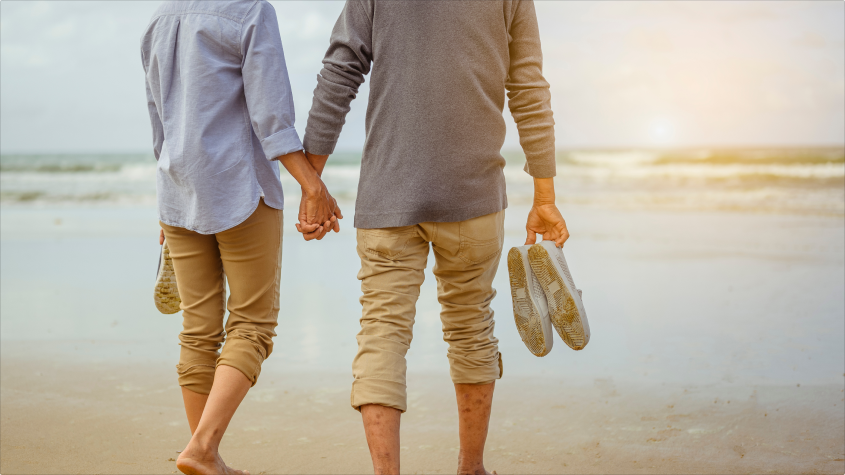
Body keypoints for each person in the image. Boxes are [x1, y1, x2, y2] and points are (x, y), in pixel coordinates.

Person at [299, 1, 569, 473]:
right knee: (471, 331)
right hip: (473, 191)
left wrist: (313, 181)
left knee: (382, 334)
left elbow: (340, 70)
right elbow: (528, 86)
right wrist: (544, 194)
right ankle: (471, 468)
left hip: (388, 190)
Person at [140, 1, 340, 474]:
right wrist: (313, 186)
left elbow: (158, 122)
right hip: (239, 187)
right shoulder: (251, 11)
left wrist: (168, 197)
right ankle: (202, 449)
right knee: (252, 325)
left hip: (178, 192)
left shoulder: (159, 18)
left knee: (198, 330)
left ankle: (204, 455)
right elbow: (271, 116)